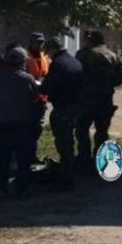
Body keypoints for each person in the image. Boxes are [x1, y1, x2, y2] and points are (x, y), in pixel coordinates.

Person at [0, 47, 38, 196]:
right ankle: (21, 188)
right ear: (23, 62)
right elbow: (35, 96)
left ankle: (1, 188)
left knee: (2, 158)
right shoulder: (27, 79)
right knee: (22, 158)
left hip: (2, 121)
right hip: (22, 122)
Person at [75, 30, 122, 171]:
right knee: (102, 131)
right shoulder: (112, 55)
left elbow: (77, 75)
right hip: (105, 100)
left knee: (82, 129)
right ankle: (101, 162)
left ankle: (84, 158)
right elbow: (119, 79)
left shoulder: (84, 54)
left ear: (90, 41)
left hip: (86, 99)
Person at [40, 37, 83, 191]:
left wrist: (39, 85)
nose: (47, 55)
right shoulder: (74, 61)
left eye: (48, 52)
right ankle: (69, 175)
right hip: (75, 106)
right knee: (69, 142)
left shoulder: (58, 64)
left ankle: (66, 179)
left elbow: (47, 87)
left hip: (63, 108)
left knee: (64, 145)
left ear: (53, 49)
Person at [25, 32, 50, 161]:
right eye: (38, 42)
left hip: (41, 99)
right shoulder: (24, 57)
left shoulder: (44, 56)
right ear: (31, 42)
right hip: (28, 100)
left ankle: (32, 155)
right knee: (27, 129)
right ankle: (26, 156)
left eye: (42, 42)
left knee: (37, 129)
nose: (40, 45)